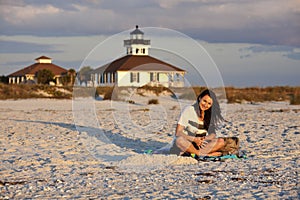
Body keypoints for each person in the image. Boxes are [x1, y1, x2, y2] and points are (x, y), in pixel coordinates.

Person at [169, 89, 225, 157]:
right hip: (187, 141)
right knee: (179, 141)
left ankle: (194, 153)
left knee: (221, 141)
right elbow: (178, 132)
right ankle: (203, 154)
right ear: (200, 98)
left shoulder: (209, 114)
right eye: (204, 101)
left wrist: (204, 139)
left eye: (209, 103)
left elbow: (212, 134)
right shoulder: (189, 110)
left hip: (201, 144)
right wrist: (194, 139)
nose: (206, 105)